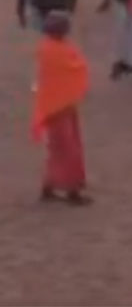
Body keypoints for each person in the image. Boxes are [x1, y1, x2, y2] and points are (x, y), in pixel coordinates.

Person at [32, 11, 90, 204]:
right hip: (62, 106)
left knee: (57, 148)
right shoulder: (60, 50)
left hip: (52, 105)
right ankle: (72, 190)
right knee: (69, 148)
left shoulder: (46, 48)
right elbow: (77, 67)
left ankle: (49, 186)